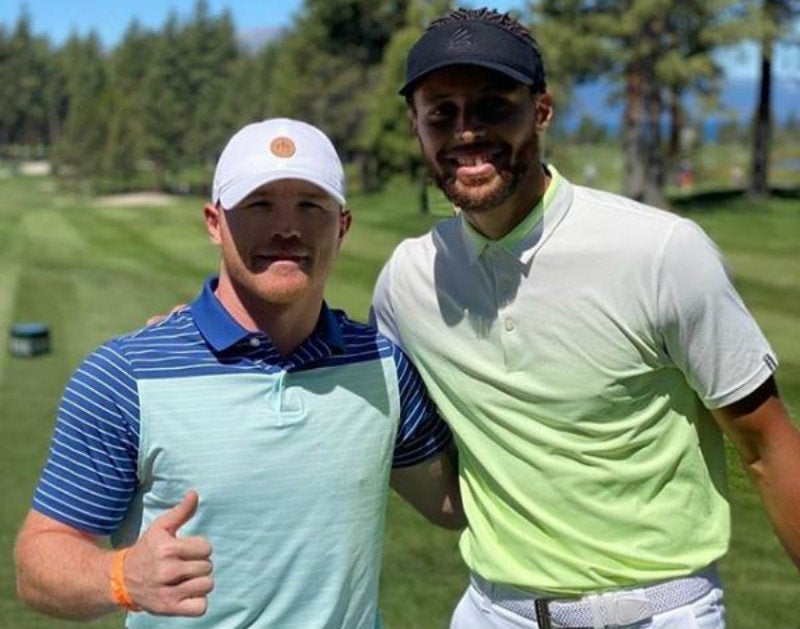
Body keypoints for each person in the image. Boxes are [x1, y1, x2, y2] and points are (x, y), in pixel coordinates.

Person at [369, 8, 800, 629]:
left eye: (493, 106)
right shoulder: (408, 280)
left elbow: (765, 444)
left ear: (541, 111)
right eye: (442, 112)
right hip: (493, 610)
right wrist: (185, 327)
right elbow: (339, 370)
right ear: (416, 126)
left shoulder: (658, 252)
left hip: (658, 612)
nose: (466, 132)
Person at [14, 118, 462, 629]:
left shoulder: (382, 366)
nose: (286, 228)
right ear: (214, 222)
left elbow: (450, 505)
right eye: (259, 204)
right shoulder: (123, 377)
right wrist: (120, 575)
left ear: (342, 226)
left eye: (311, 205)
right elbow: (38, 564)